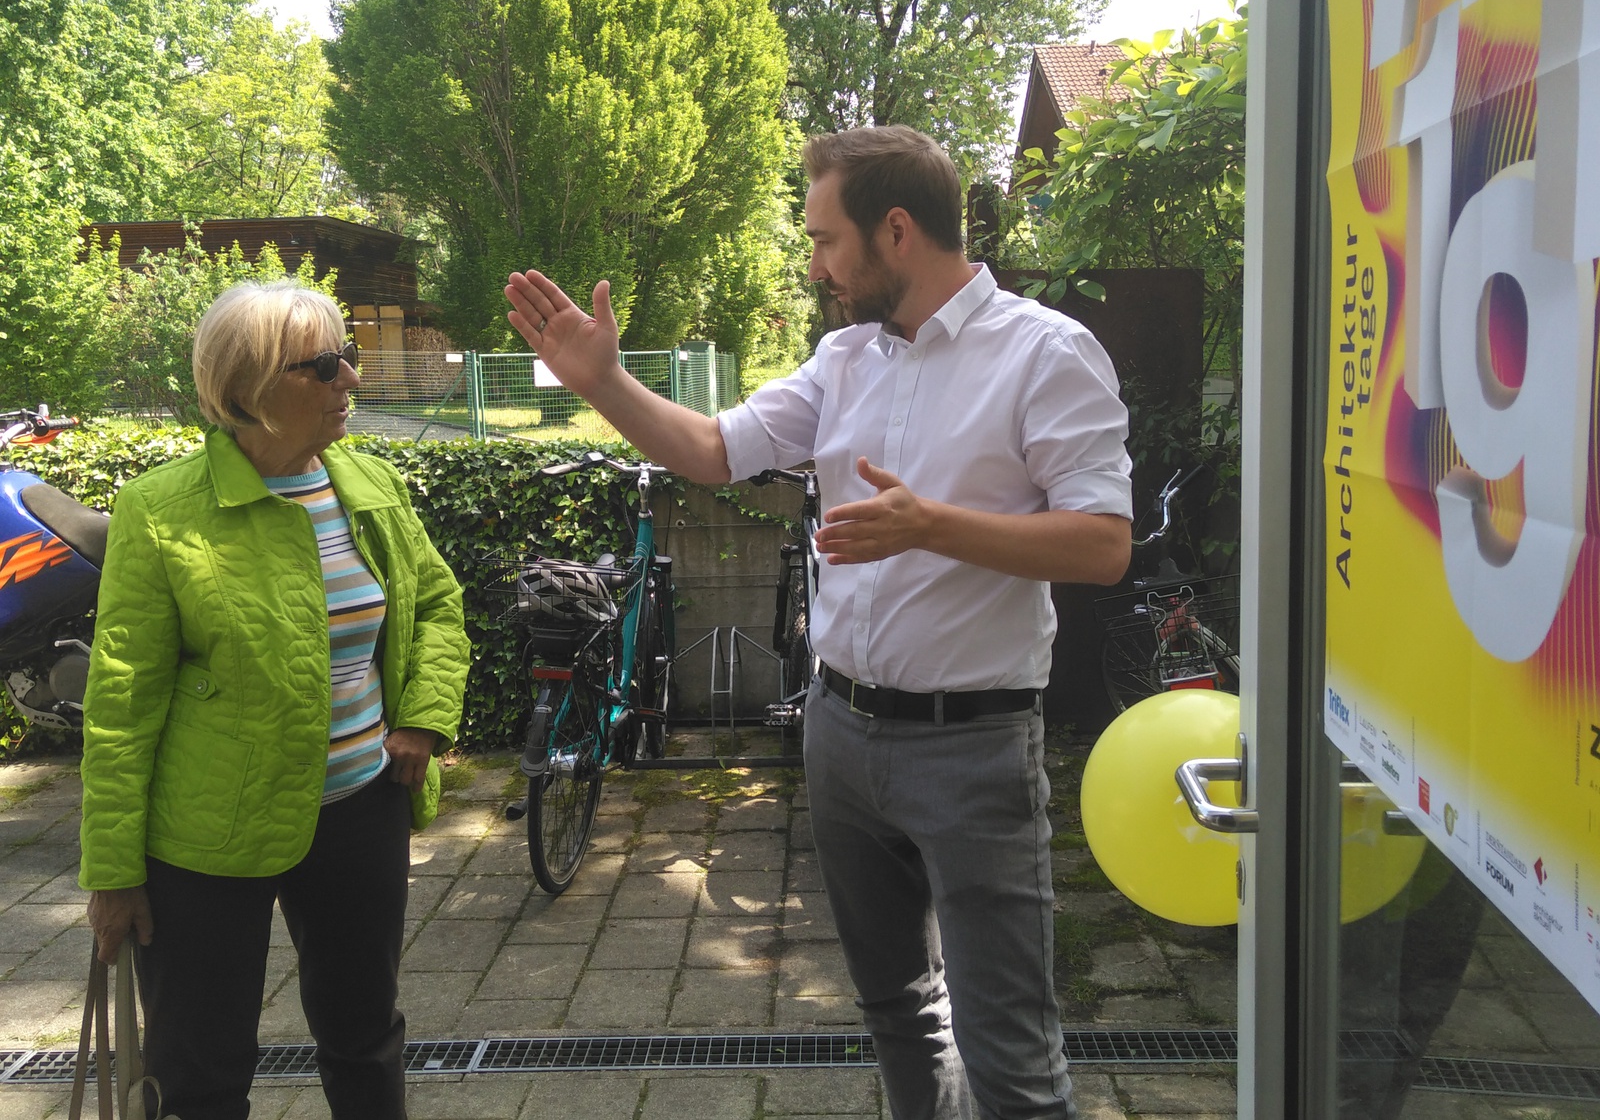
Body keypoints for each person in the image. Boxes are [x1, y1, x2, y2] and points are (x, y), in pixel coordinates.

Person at [504, 125, 1132, 1120]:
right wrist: (601, 383)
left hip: (973, 744)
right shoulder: (843, 360)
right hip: (837, 732)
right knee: (896, 1009)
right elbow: (715, 451)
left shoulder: (1046, 353)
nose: (814, 267)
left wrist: (931, 525)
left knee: (1009, 1054)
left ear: (896, 231)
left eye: (825, 240)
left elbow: (1101, 543)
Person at [78, 281, 470, 1120]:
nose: (350, 378)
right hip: (207, 836)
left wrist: (421, 720)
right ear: (248, 387)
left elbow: (436, 605)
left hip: (361, 807)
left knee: (367, 1039)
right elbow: (122, 702)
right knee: (201, 1073)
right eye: (324, 366)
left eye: (348, 357)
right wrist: (112, 872)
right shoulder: (161, 512)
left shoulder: (368, 484)